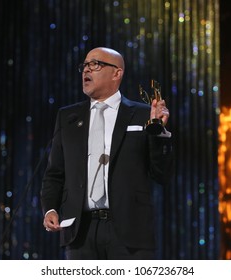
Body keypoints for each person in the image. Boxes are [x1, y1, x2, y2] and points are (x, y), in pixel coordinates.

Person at [41, 47, 172, 260]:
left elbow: (162, 174)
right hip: (80, 232)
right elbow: (54, 173)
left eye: (95, 64)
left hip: (130, 232)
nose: (86, 70)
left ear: (117, 73)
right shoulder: (68, 117)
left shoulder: (142, 114)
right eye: (84, 65)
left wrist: (160, 133)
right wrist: (50, 209)